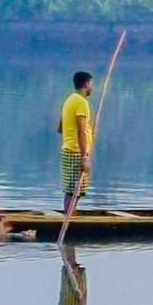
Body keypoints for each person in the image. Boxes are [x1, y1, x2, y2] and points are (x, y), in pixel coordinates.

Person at [59, 70, 93, 213]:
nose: (92, 87)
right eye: (91, 84)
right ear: (86, 84)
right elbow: (80, 132)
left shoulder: (70, 100)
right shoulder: (81, 102)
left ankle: (70, 215)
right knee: (74, 191)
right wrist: (84, 157)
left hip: (69, 148)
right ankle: (69, 219)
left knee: (74, 190)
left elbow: (61, 127)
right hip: (76, 151)